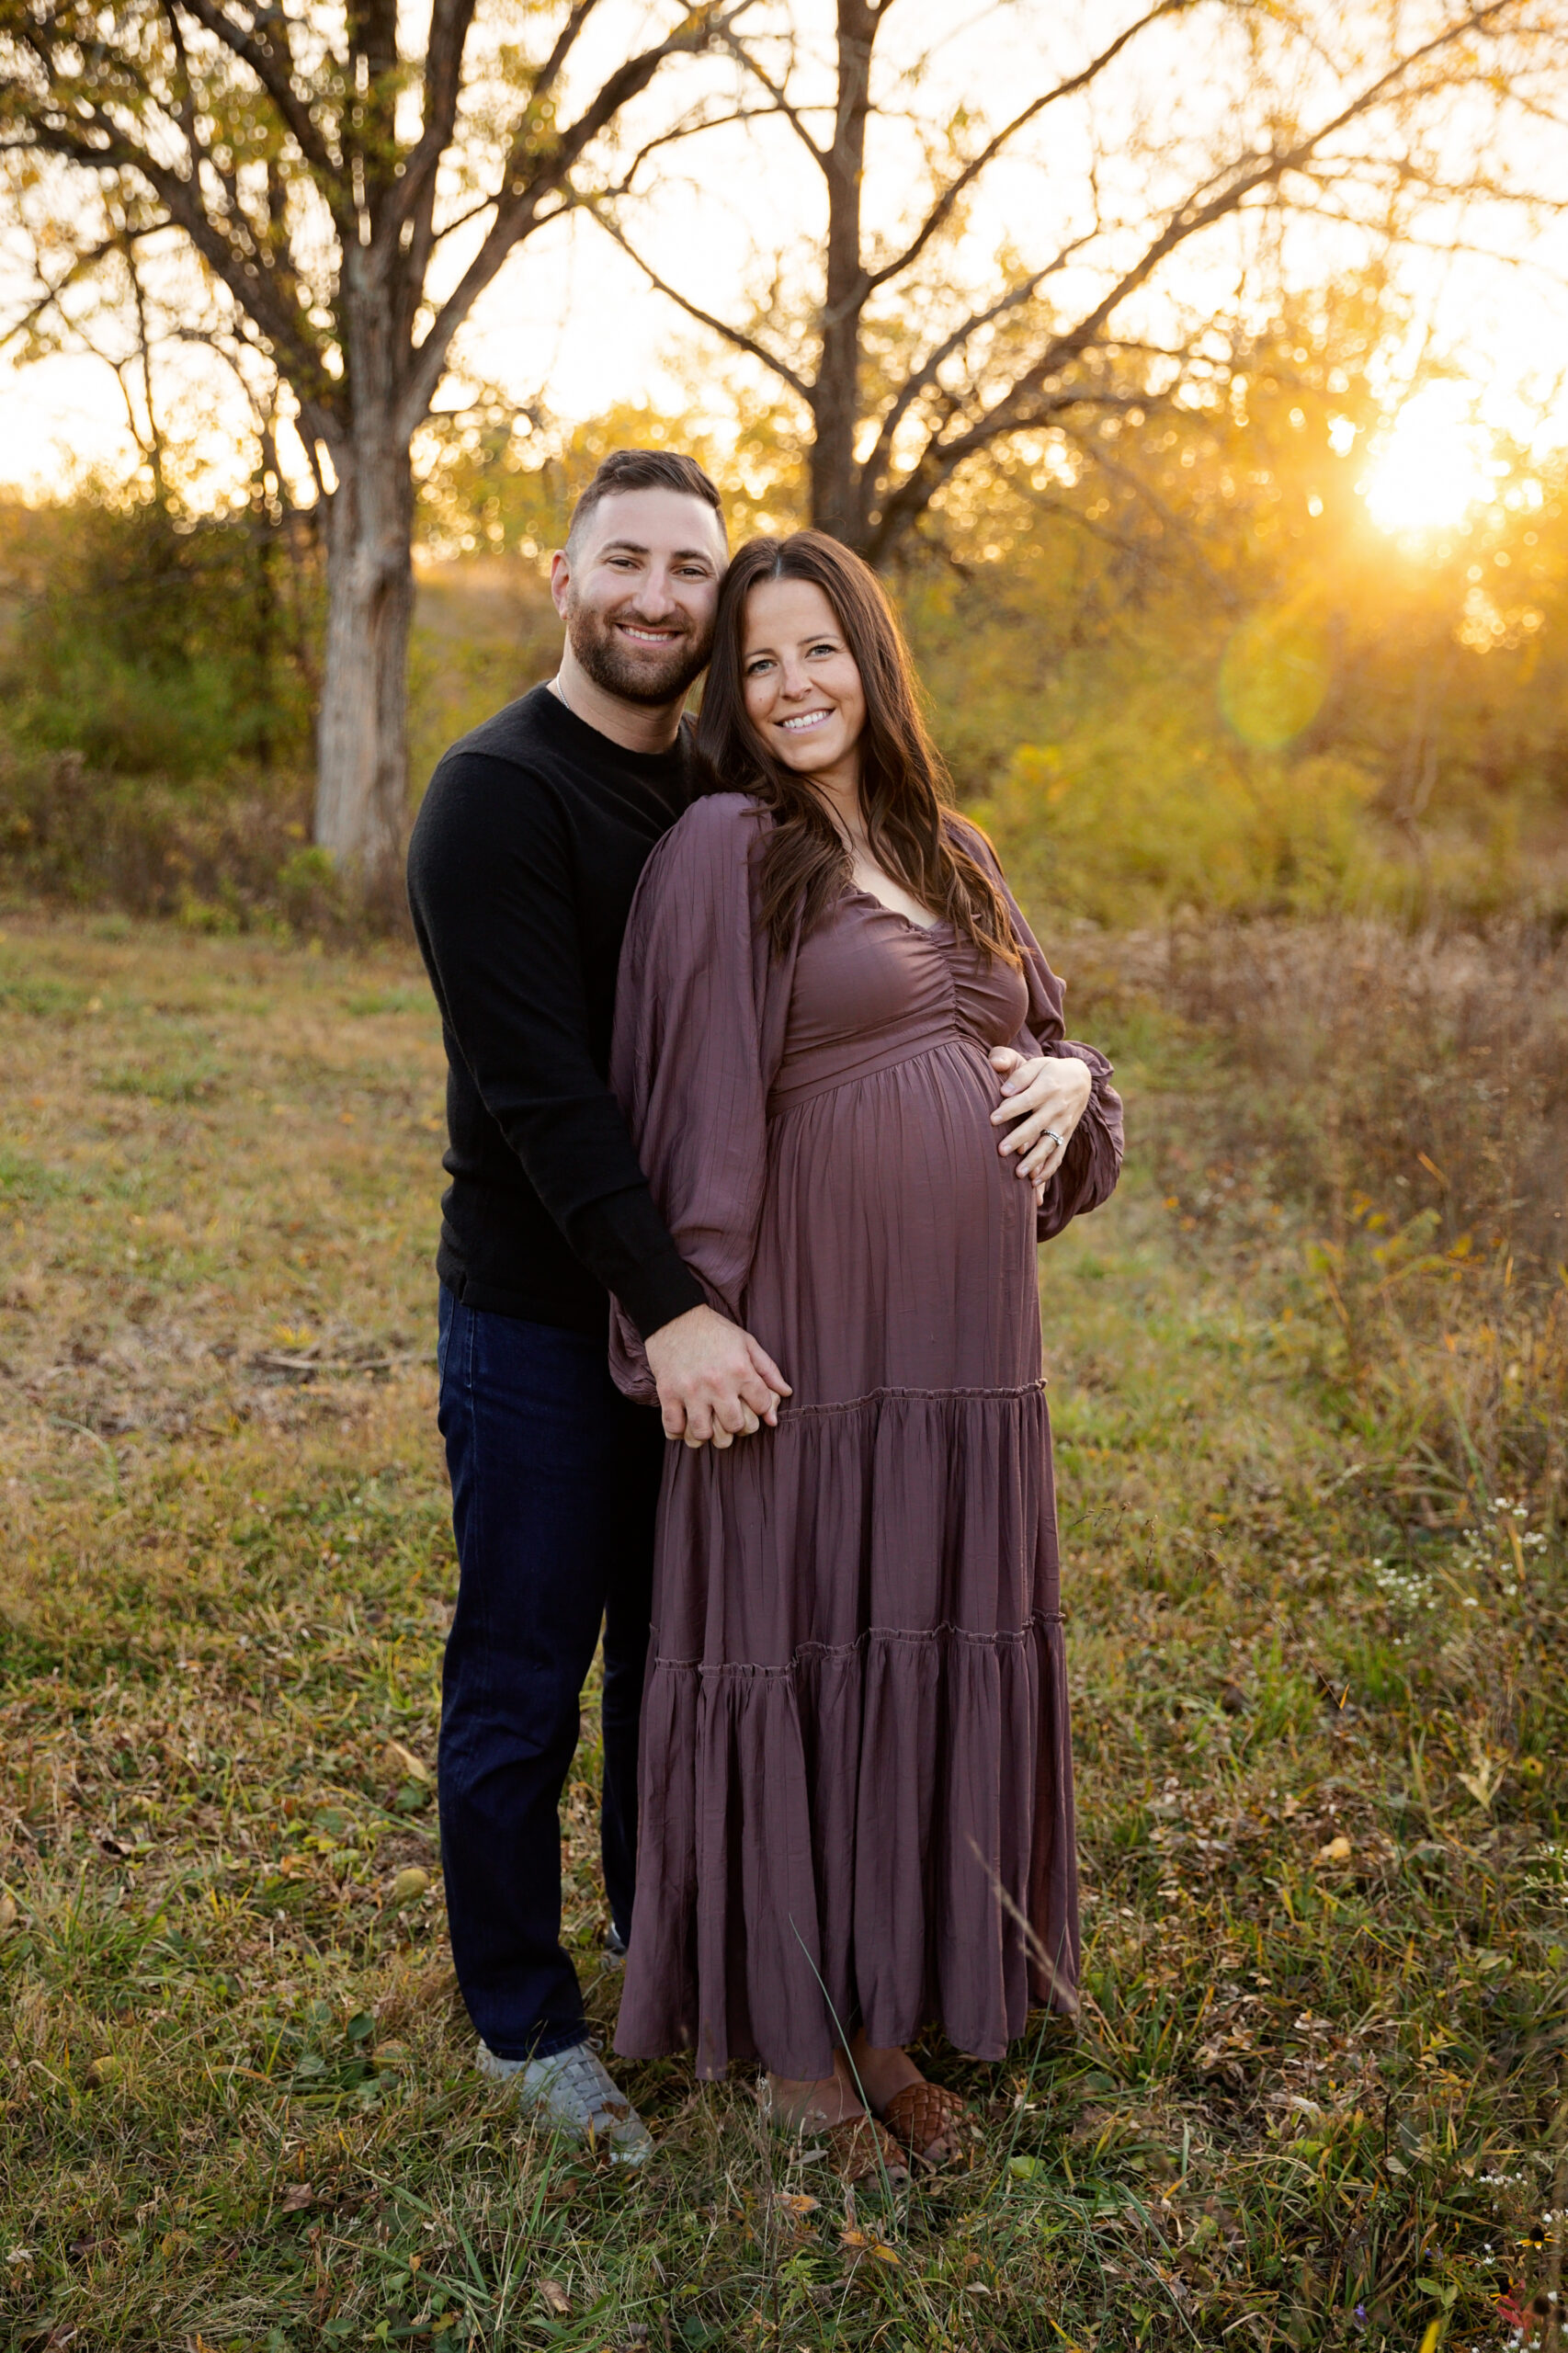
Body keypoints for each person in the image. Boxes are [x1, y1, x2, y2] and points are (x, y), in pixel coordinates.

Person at [607, 530, 1124, 2180]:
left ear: (868, 658)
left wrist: (1075, 1084)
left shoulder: (949, 846)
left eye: (816, 650)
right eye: (756, 664)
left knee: (923, 1636)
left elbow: (1039, 1038)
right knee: (818, 1648)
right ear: (733, 698)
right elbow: (676, 1098)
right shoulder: (720, 847)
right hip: (815, 1349)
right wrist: (690, 1314)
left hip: (969, 1362)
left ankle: (886, 2019)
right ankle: (795, 2060)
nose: (790, 686)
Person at [405, 451, 792, 2163]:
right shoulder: (495, 795)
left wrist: (1054, 1066)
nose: (656, 596)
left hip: (699, 1316)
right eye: (623, 561)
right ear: (558, 580)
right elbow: (546, 1099)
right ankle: (521, 2022)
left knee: (676, 1655)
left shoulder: (725, 790)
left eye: (689, 571)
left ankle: (661, 1950)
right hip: (553, 1323)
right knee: (524, 1672)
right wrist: (669, 1307)